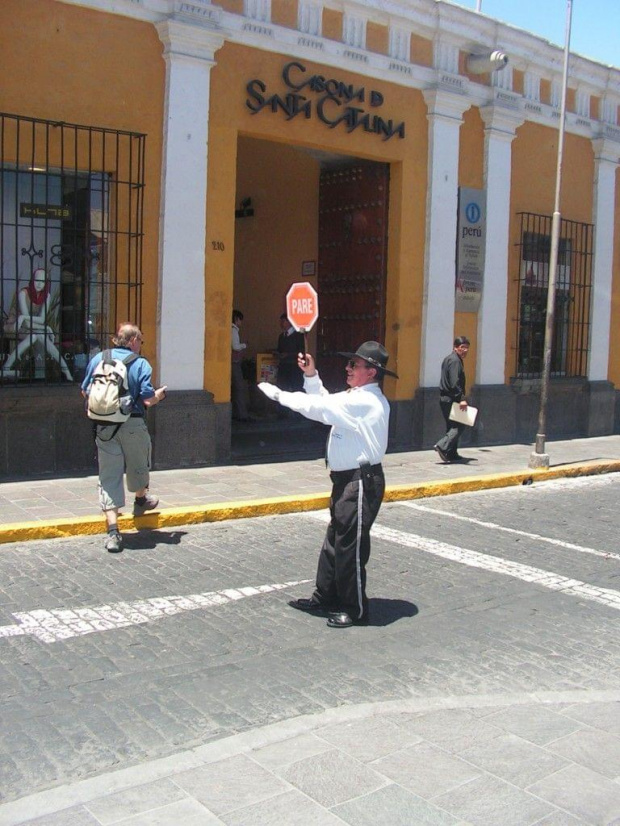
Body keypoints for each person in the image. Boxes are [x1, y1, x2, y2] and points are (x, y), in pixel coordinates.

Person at [258, 341, 397, 628]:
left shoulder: (365, 401)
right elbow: (325, 403)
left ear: (371, 372)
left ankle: (354, 608)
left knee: (350, 546)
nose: (347, 368)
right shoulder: (356, 397)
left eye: (354, 365)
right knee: (335, 541)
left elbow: (318, 407)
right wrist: (311, 376)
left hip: (360, 482)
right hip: (346, 480)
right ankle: (326, 596)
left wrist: (277, 394)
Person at [81, 322, 167, 553]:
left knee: (108, 477)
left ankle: (113, 532)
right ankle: (140, 499)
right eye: (140, 340)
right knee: (139, 465)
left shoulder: (98, 358)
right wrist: (160, 394)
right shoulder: (140, 363)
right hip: (132, 424)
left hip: (104, 427)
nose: (141, 344)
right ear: (132, 341)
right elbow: (148, 400)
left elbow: (85, 391)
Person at [3, 268, 73, 381]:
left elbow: (41, 319)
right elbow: (27, 324)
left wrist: (24, 317)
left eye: (43, 281)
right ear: (32, 280)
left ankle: (7, 366)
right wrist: (47, 327)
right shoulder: (23, 293)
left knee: (36, 336)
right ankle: (65, 369)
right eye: (37, 280)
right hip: (16, 325)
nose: (39, 284)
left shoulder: (47, 296)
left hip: (31, 328)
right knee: (37, 335)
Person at [434, 336, 470, 463]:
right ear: (455, 348)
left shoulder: (449, 359)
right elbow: (454, 383)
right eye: (462, 347)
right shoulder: (455, 361)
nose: (465, 350)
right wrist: (462, 399)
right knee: (460, 424)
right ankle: (442, 446)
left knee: (452, 426)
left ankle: (451, 453)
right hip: (452, 398)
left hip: (446, 398)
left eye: (467, 348)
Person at [276, 313, 305, 393]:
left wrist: (288, 354)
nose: (281, 323)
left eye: (283, 321)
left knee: (296, 390)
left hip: (294, 367)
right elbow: (279, 349)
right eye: (281, 321)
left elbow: (302, 351)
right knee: (282, 390)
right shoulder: (281, 336)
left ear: (289, 322)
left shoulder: (299, 335)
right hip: (283, 366)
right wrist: (277, 353)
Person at [231, 309, 251, 421]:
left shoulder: (232, 330)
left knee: (235, 388)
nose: (241, 322)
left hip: (232, 362)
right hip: (234, 362)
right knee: (239, 388)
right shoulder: (233, 330)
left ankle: (236, 412)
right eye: (240, 320)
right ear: (236, 319)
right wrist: (245, 345)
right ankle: (242, 415)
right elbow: (235, 346)